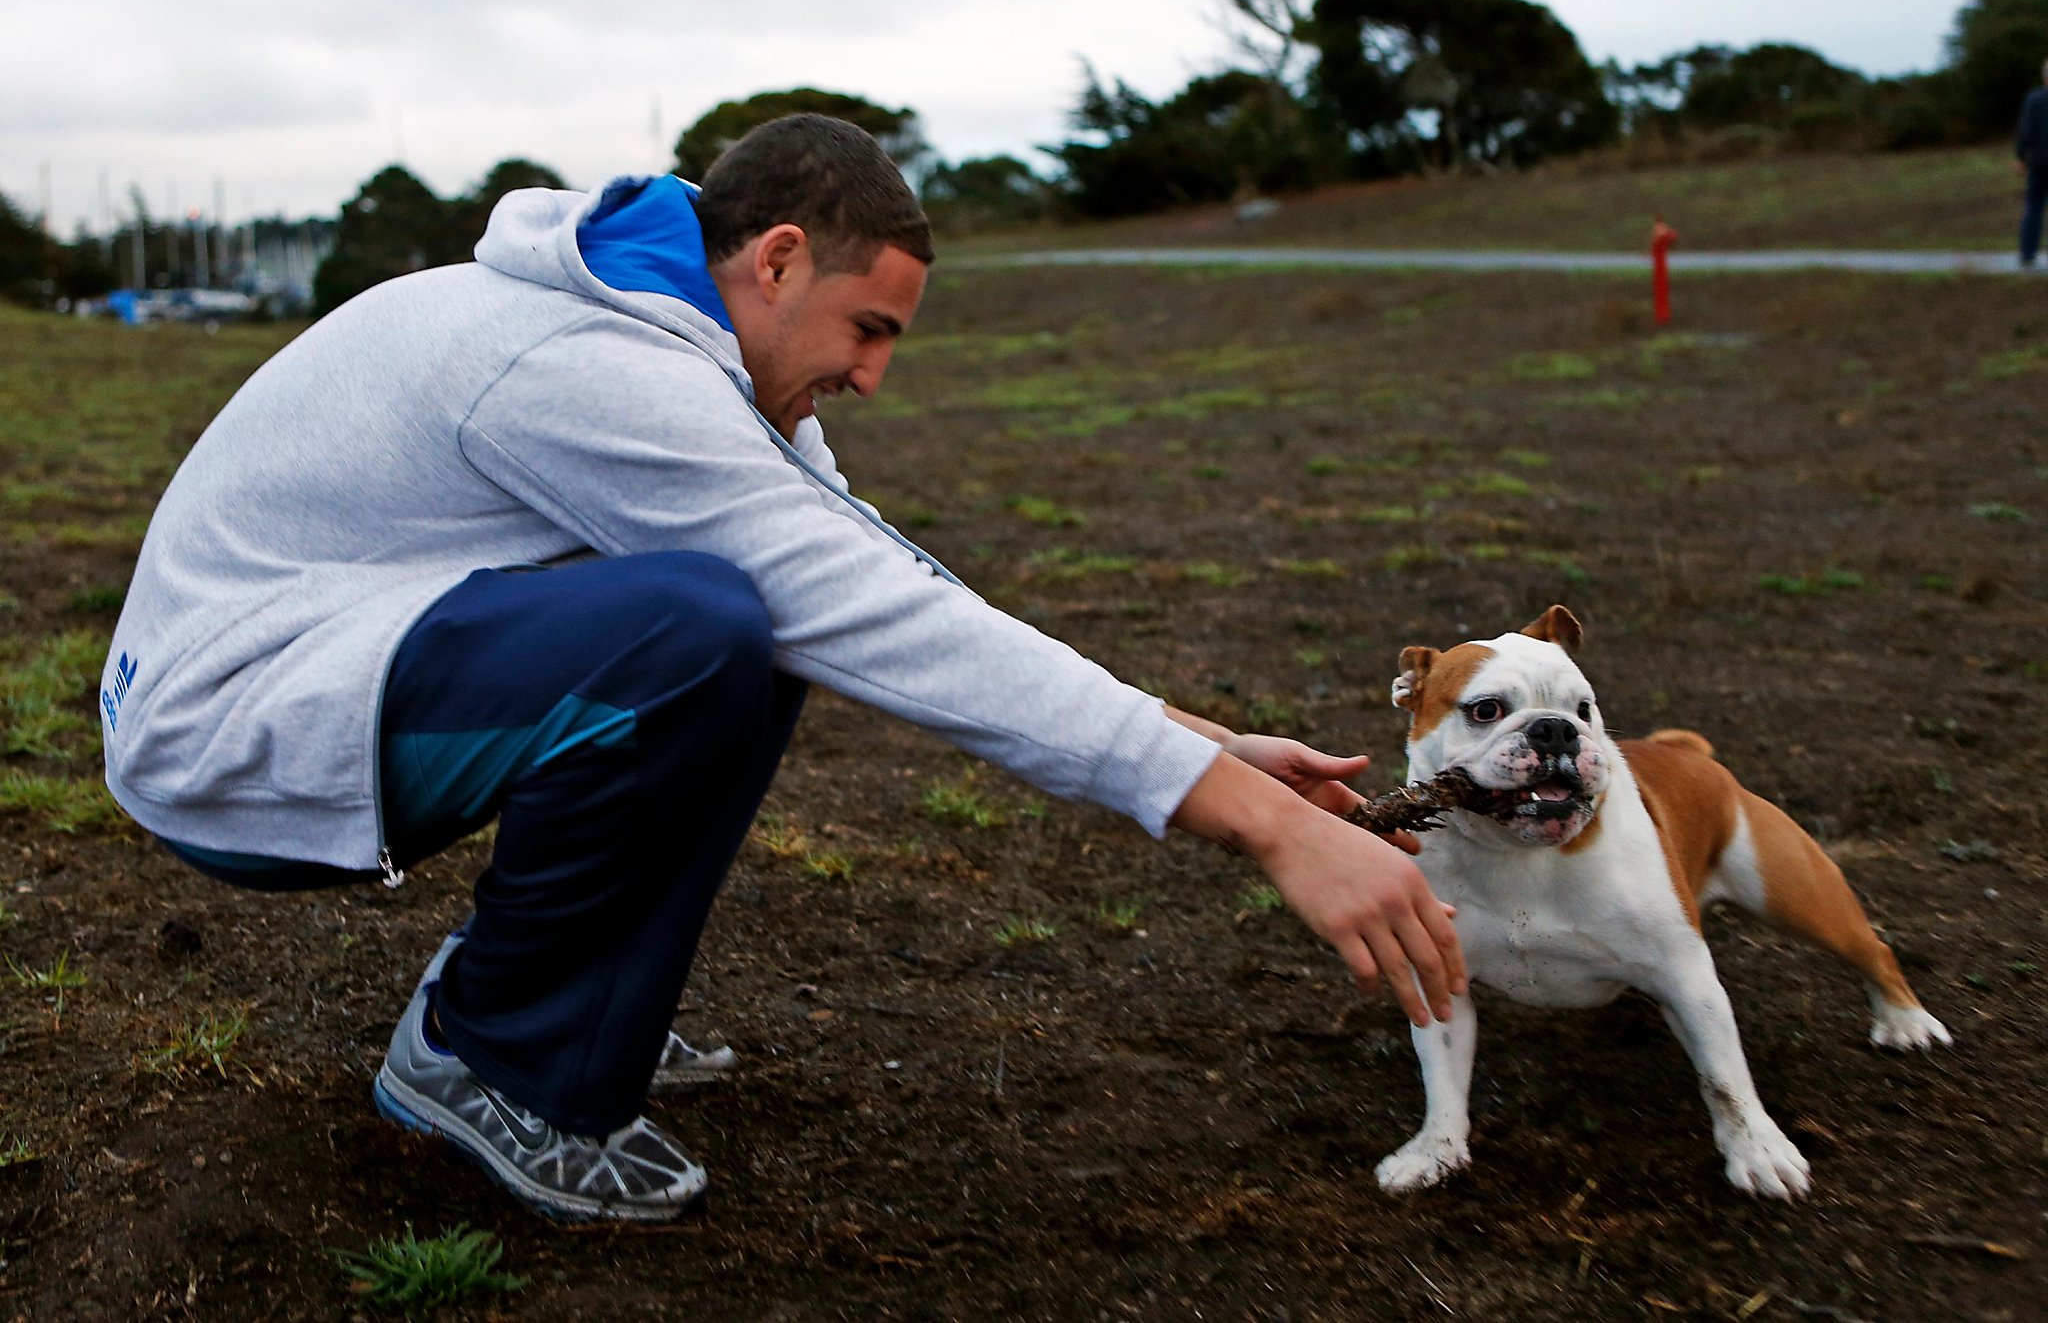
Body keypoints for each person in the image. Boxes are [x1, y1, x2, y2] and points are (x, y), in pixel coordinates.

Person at [98, 114, 1465, 1223]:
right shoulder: (595, 365)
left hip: (340, 662)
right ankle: (492, 1055)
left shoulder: (691, 347)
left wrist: (1202, 737)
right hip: (225, 732)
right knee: (699, 628)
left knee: (742, 624)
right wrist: (1264, 826)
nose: (873, 377)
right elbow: (856, 605)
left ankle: (581, 1001)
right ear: (778, 258)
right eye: (869, 331)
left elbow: (880, 575)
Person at [2019, 56, 2048, 268]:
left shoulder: (2034, 99)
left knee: (2034, 206)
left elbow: (2025, 131)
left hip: (2039, 162)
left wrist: (2021, 156)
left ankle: (2028, 254)